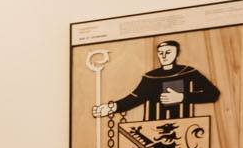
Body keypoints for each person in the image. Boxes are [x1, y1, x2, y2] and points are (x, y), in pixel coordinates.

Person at [92, 40, 220, 121]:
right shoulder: (151, 77)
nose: (163, 56)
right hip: (154, 125)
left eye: (168, 52)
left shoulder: (188, 72)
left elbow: (213, 94)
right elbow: (135, 98)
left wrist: (182, 97)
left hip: (183, 123)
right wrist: (112, 107)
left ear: (177, 53)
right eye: (160, 52)